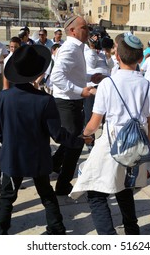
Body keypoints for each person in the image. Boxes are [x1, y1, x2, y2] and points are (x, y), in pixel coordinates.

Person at [70, 34, 150, 235]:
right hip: (137, 143)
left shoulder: (108, 84)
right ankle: (131, 231)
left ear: (116, 55)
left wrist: (85, 135)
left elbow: (94, 123)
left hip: (111, 143)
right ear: (140, 59)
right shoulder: (149, 86)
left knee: (95, 192)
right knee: (125, 188)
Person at [0, 45, 85, 235]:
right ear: (37, 73)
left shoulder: (1, 98)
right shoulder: (44, 100)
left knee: (7, 197)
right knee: (46, 194)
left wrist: (10, 145)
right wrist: (79, 141)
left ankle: (0, 233)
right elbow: (57, 134)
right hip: (37, 157)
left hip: (12, 156)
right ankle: (56, 227)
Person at [50, 15, 96, 195]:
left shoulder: (76, 48)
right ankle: (63, 184)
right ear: (72, 30)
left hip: (71, 101)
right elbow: (56, 77)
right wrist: (80, 91)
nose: (88, 31)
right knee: (76, 144)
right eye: (84, 28)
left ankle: (54, 164)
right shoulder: (70, 49)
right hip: (67, 103)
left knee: (72, 139)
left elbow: (72, 74)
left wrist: (90, 78)